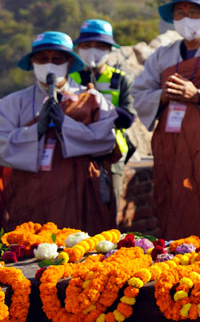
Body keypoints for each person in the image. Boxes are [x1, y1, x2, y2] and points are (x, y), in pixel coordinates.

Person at [132, 0, 200, 238]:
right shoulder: (162, 56)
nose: (186, 19)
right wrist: (163, 96)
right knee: (173, 202)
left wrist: (197, 96)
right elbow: (140, 93)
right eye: (180, 13)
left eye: (194, 12)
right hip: (171, 145)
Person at [0, 32, 117, 232]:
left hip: (78, 188)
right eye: (42, 59)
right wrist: (35, 130)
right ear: (33, 62)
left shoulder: (90, 99)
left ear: (69, 62)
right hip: (30, 190)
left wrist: (66, 124)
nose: (49, 64)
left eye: (57, 59)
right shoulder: (12, 102)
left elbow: (106, 141)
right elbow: (2, 146)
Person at [70, 19, 138, 218]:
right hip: (76, 153)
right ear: (79, 49)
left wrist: (98, 103)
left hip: (111, 153)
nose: (93, 50)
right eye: (87, 46)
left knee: (110, 207)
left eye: (100, 46)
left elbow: (127, 119)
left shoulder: (119, 79)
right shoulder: (70, 79)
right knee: (75, 209)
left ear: (109, 49)